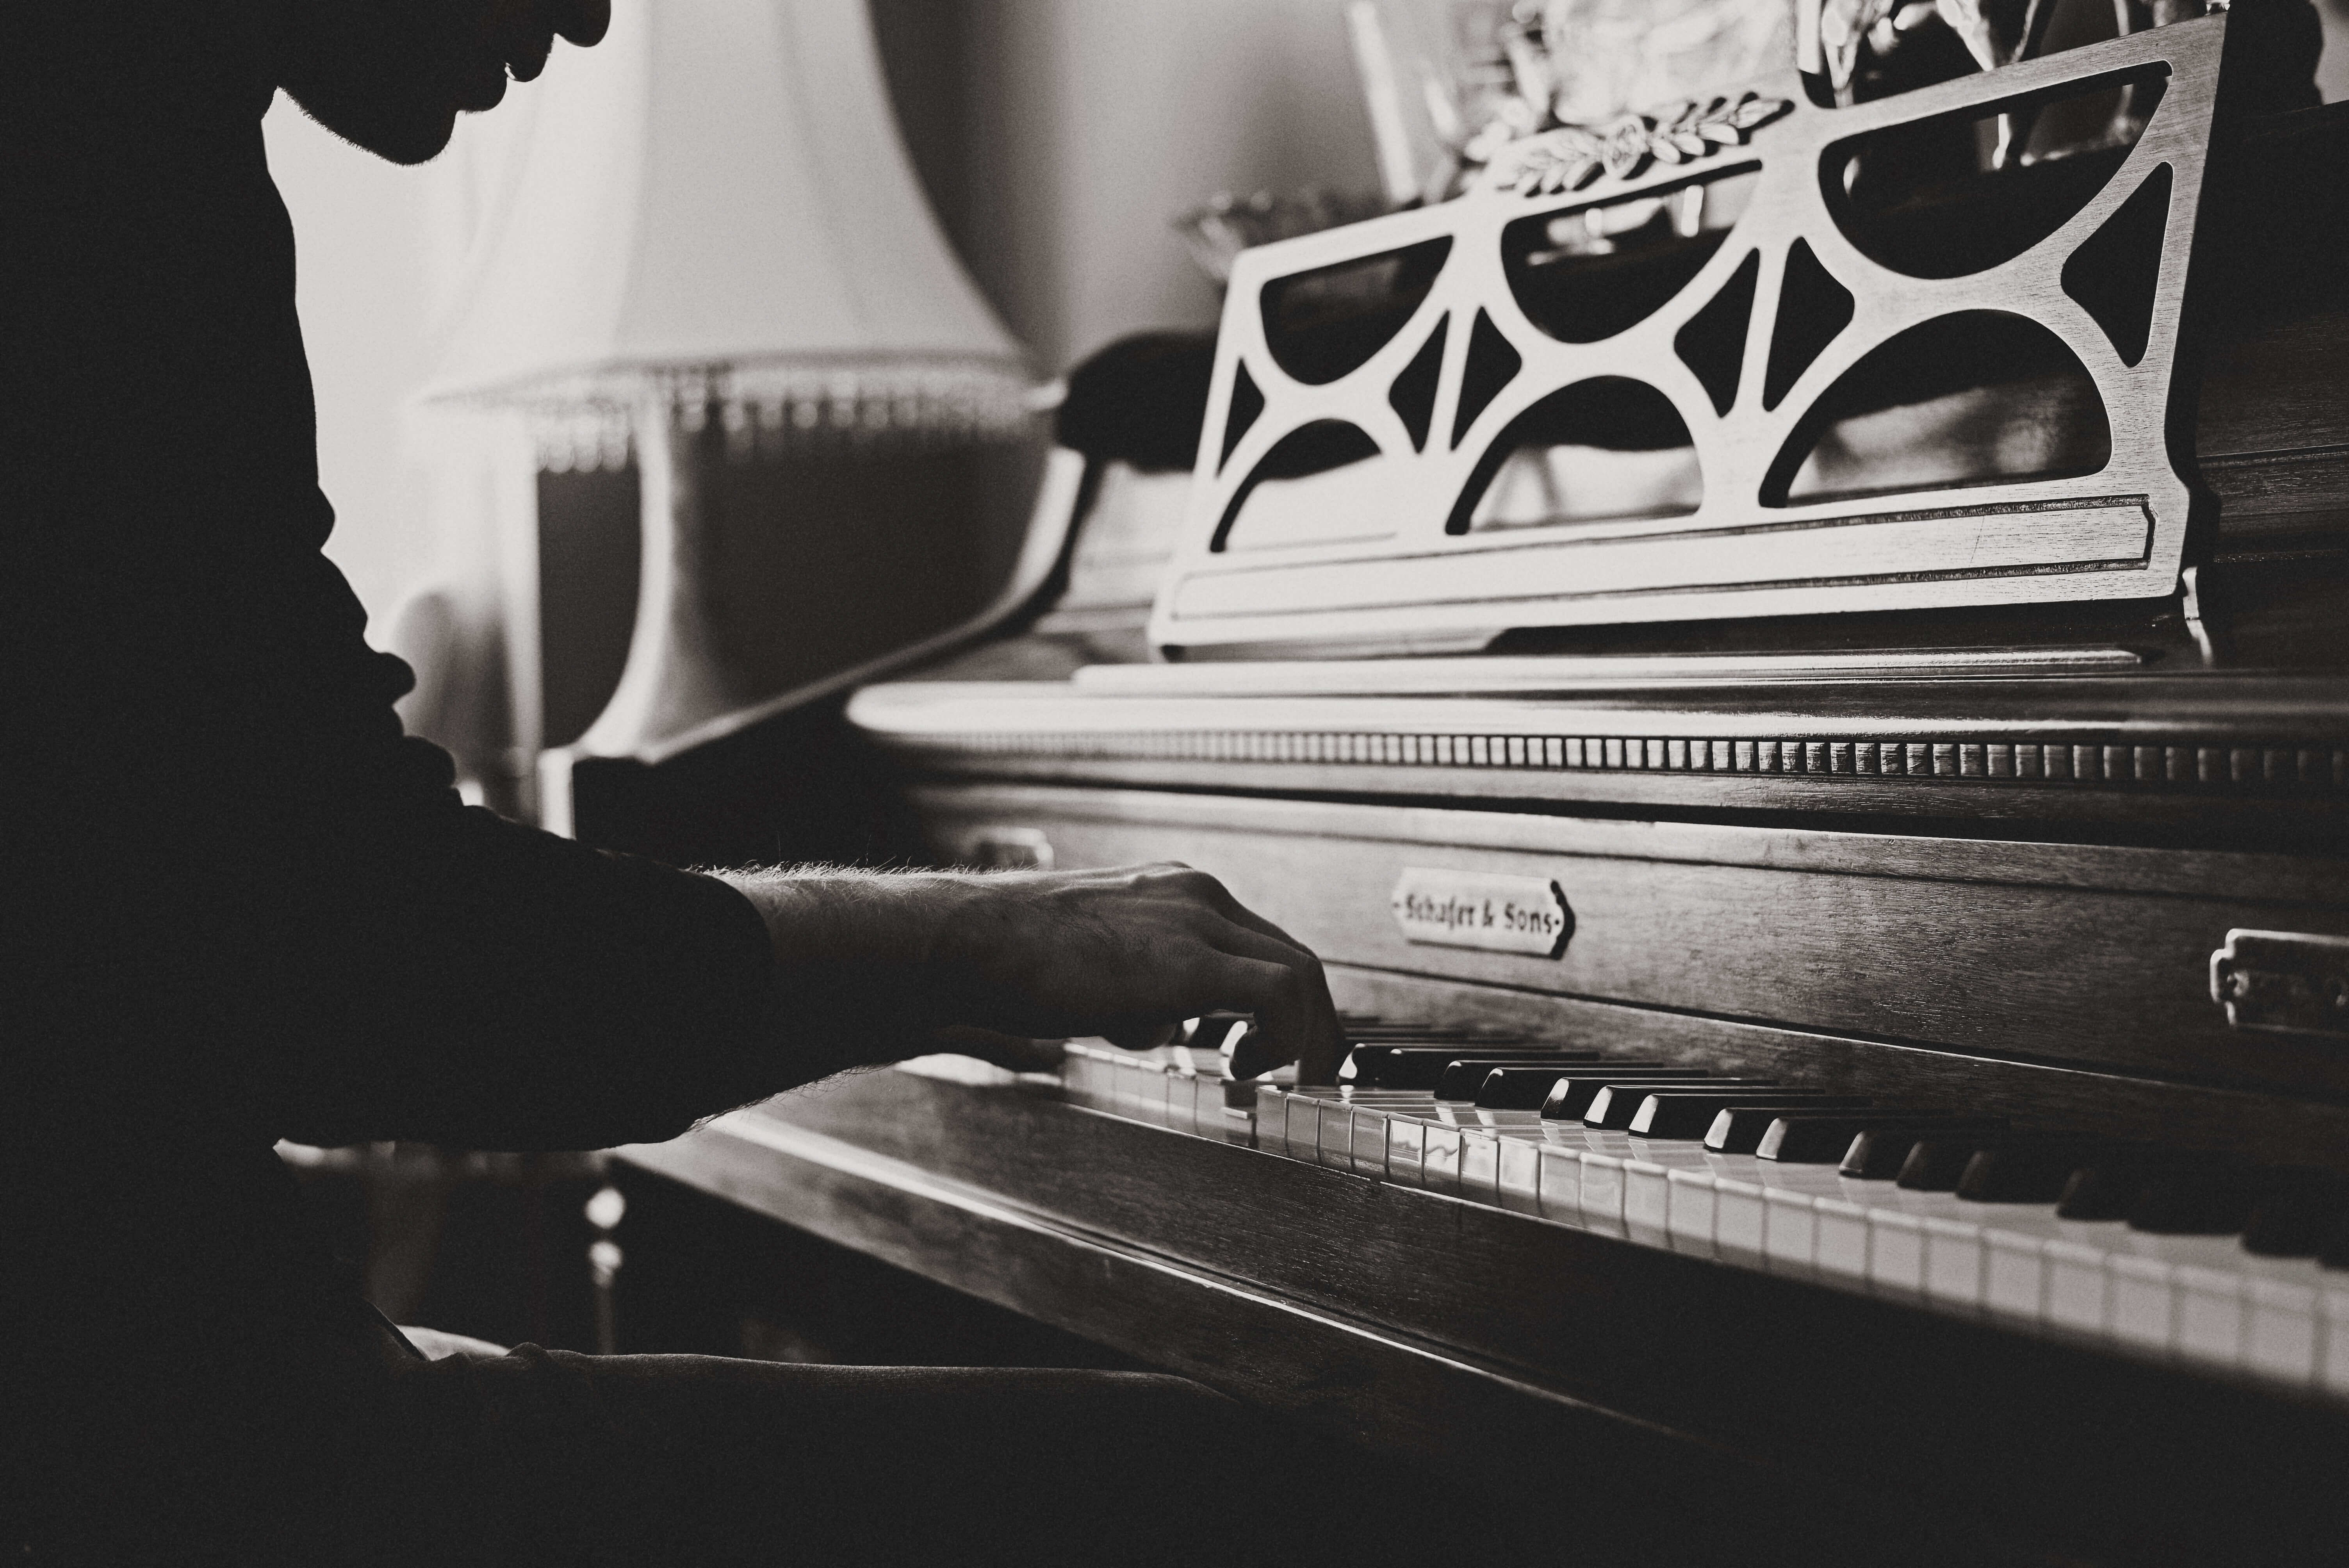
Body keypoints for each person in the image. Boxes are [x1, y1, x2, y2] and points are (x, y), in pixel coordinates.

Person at [1, 2, 1344, 1561]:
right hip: (159, 1458)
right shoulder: (101, 158)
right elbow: (356, 959)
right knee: (1254, 1492)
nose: (591, 12)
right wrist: (970, 941)